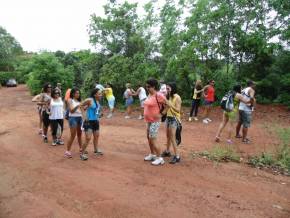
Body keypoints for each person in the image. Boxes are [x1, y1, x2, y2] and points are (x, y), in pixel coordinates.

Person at [143, 78, 166, 166]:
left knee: (152, 138)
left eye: (149, 87)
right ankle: (152, 154)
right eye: (146, 86)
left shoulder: (159, 95)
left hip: (155, 121)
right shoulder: (149, 95)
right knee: (148, 137)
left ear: (154, 87)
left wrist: (161, 114)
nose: (147, 88)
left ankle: (160, 158)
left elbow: (168, 105)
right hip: (148, 120)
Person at [79, 88, 103, 161]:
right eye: (99, 94)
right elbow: (81, 105)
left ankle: (96, 150)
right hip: (88, 121)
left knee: (96, 136)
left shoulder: (98, 101)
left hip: (95, 121)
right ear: (95, 94)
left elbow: (95, 111)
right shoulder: (89, 100)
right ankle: (82, 154)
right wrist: (84, 116)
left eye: (100, 93)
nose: (101, 95)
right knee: (88, 138)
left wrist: (99, 115)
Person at [162, 82, 182, 164]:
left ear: (172, 88)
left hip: (174, 119)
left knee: (173, 138)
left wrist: (170, 105)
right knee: (168, 136)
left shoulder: (177, 97)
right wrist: (160, 114)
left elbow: (178, 110)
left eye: (168, 88)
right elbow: (166, 109)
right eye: (166, 88)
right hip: (168, 118)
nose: (166, 90)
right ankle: (167, 151)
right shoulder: (168, 96)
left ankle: (177, 156)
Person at [64, 88, 83, 158]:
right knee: (73, 135)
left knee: (79, 134)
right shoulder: (70, 100)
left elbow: (82, 109)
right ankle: (67, 151)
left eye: (78, 93)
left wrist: (86, 106)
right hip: (73, 118)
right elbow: (71, 111)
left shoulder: (79, 100)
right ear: (73, 94)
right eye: (76, 93)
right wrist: (78, 106)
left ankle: (81, 149)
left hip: (80, 118)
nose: (78, 94)